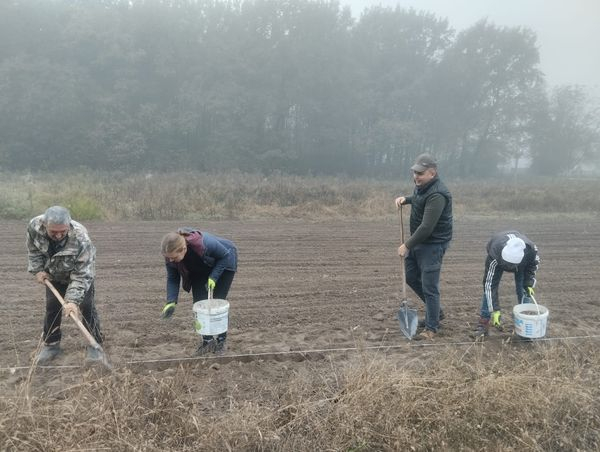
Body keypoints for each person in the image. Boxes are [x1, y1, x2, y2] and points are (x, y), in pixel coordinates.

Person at [27, 206, 104, 363]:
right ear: (44, 224)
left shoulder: (81, 238)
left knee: (87, 306)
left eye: (63, 231)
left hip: (79, 274)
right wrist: (38, 270)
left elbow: (82, 274)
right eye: (53, 232)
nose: (59, 235)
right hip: (54, 273)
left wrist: (72, 301)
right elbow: (33, 249)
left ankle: (94, 344)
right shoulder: (34, 226)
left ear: (69, 225)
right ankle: (51, 344)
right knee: (52, 306)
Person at [395, 154, 453, 340]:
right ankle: (435, 312)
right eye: (414, 172)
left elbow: (427, 227)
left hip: (432, 244)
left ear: (432, 173)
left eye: (420, 173)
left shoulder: (437, 194)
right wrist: (407, 199)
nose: (416, 176)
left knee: (429, 287)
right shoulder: (423, 187)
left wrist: (407, 245)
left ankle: (431, 328)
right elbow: (420, 199)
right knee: (411, 276)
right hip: (420, 242)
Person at [160, 227, 237, 355]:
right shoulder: (170, 255)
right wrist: (171, 301)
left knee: (218, 303)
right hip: (200, 268)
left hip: (224, 261)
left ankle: (221, 342)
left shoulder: (204, 244)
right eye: (169, 258)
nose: (171, 260)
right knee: (199, 304)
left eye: (174, 257)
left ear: (183, 249)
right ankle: (208, 342)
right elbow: (173, 278)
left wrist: (213, 277)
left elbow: (225, 256)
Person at [471, 231, 539, 339]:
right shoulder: (495, 254)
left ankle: (526, 325)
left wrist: (528, 283)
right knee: (489, 289)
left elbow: (532, 267)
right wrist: (495, 310)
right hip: (498, 260)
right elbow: (489, 285)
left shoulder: (530, 251)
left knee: (524, 290)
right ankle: (483, 324)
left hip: (522, 265)